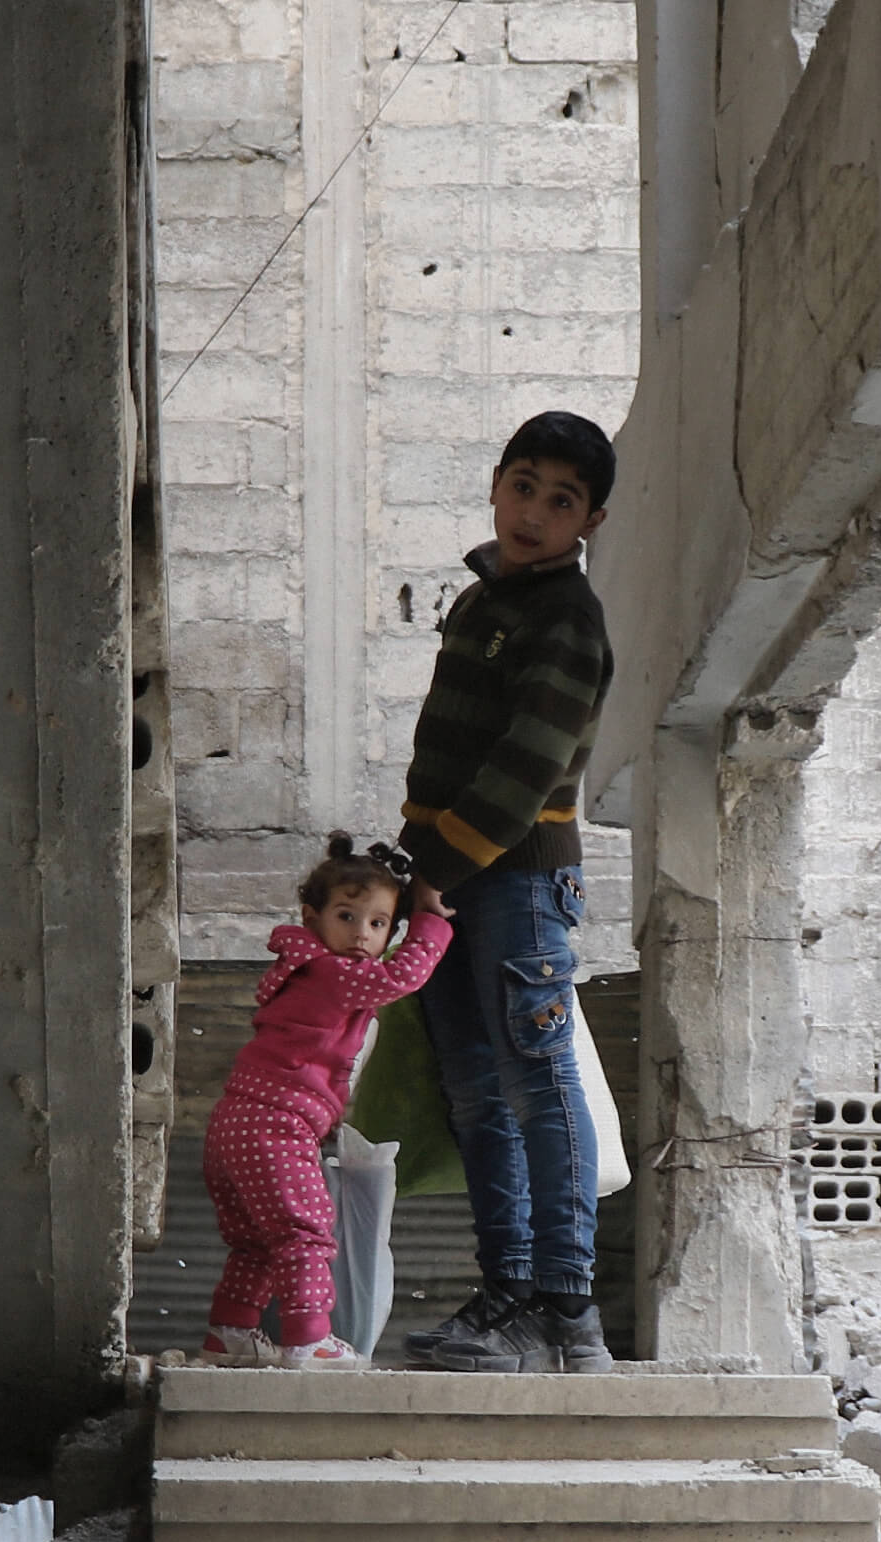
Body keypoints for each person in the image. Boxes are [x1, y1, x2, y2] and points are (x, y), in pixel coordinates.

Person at [397, 409, 617, 1373]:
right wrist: (417, 873)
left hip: (514, 884)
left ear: (588, 523)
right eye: (523, 485)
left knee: (535, 1081)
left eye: (560, 500)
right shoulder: (487, 601)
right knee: (477, 1092)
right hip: (447, 878)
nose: (534, 510)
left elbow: (526, 770)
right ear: (496, 482)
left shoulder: (567, 619)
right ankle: (508, 1296)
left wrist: (434, 874)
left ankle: (568, 1311)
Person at [200, 833, 451, 1369]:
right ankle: (309, 1340)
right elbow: (403, 976)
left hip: (234, 1123)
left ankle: (231, 1332)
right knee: (307, 1232)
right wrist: (431, 921)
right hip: (277, 1123)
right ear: (312, 917)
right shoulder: (333, 974)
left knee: (255, 1242)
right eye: (347, 916)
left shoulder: (301, 970)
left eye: (379, 924)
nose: (362, 935)